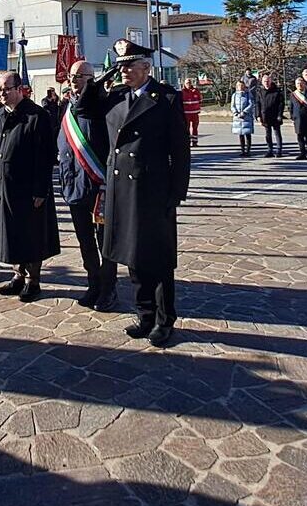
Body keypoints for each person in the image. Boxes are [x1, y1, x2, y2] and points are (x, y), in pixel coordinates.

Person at [75, 39, 190, 348]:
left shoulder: (164, 98)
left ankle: (164, 320)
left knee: (158, 259)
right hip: (121, 189)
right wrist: (105, 74)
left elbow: (180, 149)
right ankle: (145, 315)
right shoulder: (115, 97)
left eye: (129, 65)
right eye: (121, 65)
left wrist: (177, 192)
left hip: (152, 190)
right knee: (132, 256)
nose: (124, 70)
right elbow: (82, 106)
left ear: (146, 67)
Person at [0, 72, 60, 302]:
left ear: (20, 89)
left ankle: (33, 280)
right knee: (11, 235)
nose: (2, 94)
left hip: (28, 190)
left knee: (31, 235)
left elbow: (45, 156)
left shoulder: (36, 116)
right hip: (4, 187)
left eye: (6, 89)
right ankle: (17, 275)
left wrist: (41, 190)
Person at [60, 60, 119, 310]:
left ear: (92, 78)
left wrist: (94, 88)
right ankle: (93, 284)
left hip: (98, 186)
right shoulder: (69, 104)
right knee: (84, 241)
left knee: (104, 241)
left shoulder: (98, 104)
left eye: (81, 76)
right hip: (75, 185)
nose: (74, 80)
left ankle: (108, 289)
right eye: (72, 75)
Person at [255, 72, 285, 157]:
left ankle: (279, 150)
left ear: (271, 81)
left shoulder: (277, 91)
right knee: (268, 134)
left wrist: (280, 115)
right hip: (265, 116)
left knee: (277, 133)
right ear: (262, 82)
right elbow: (257, 104)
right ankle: (270, 150)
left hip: (275, 116)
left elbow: (281, 104)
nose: (266, 83)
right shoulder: (259, 91)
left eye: (268, 81)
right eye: (264, 81)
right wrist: (258, 115)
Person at [289, 75, 307, 159]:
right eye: (298, 84)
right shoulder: (293, 95)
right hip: (298, 119)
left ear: (304, 84)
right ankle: (302, 153)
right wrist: (292, 117)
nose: (299, 85)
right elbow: (291, 107)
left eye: (301, 83)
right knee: (300, 137)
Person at [230, 77, 255, 157]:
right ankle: (242, 150)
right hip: (238, 118)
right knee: (240, 134)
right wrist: (236, 113)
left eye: (241, 85)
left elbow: (251, 104)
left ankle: (248, 150)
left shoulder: (248, 94)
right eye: (238, 85)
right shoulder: (234, 95)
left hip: (246, 117)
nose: (240, 87)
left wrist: (244, 112)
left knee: (247, 134)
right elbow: (232, 105)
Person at [182, 77, 203, 146]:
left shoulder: (196, 91)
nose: (188, 84)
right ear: (184, 84)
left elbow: (200, 100)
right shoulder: (182, 92)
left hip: (195, 113)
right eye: (187, 83)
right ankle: (187, 142)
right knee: (186, 128)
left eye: (189, 83)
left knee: (195, 128)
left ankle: (194, 142)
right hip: (186, 113)